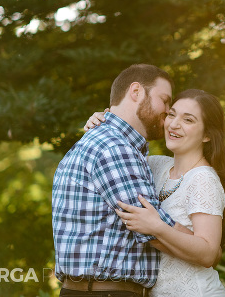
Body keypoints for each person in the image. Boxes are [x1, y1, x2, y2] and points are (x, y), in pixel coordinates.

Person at [52, 63, 196, 296]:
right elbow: (153, 229)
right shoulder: (115, 148)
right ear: (136, 92)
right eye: (165, 100)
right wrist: (205, 246)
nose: (168, 111)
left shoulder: (105, 141)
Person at [85, 88, 225, 297]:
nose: (174, 124)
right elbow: (120, 153)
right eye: (171, 115)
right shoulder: (156, 165)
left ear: (207, 135)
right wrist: (102, 122)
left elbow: (209, 254)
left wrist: (157, 227)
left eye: (188, 120)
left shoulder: (204, 179)